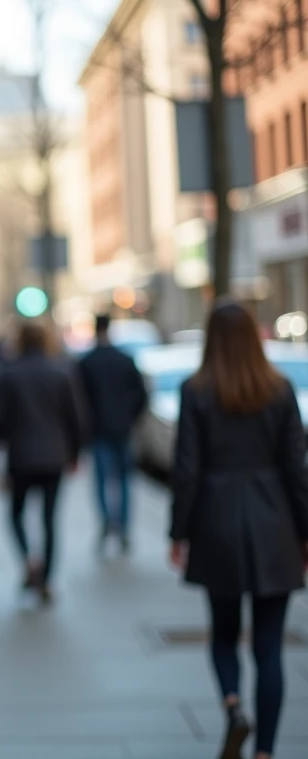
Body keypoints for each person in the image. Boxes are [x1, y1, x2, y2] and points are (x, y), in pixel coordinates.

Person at [170, 301, 308, 759]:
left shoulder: (196, 391)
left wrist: (178, 533)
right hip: (275, 528)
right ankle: (265, 751)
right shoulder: (280, 389)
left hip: (216, 524)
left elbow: (186, 469)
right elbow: (298, 470)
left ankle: (234, 709)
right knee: (269, 646)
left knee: (224, 633)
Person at [0, 323, 83, 605]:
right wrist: (74, 455)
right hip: (54, 456)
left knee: (15, 515)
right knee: (49, 519)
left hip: (20, 456)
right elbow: (76, 418)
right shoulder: (61, 373)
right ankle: (48, 579)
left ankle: (30, 562)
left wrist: (5, 439)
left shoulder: (9, 374)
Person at [78, 314, 148, 555]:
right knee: (124, 481)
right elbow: (141, 394)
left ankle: (108, 521)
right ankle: (123, 526)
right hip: (122, 429)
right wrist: (130, 418)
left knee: (101, 482)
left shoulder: (87, 362)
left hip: (98, 431)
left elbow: (79, 401)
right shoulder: (124, 360)